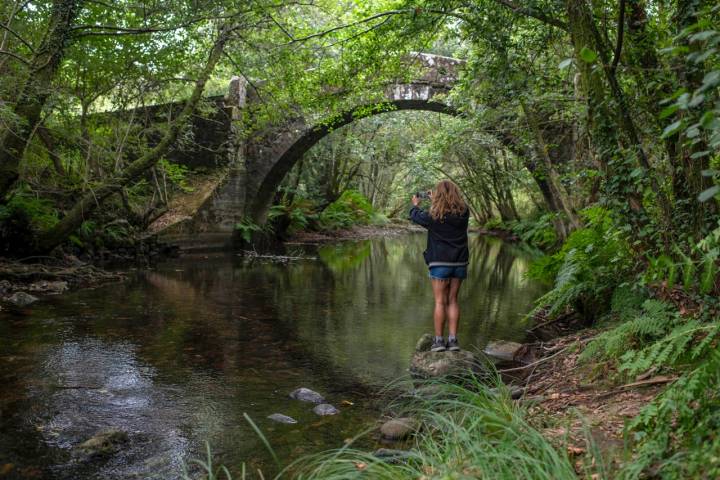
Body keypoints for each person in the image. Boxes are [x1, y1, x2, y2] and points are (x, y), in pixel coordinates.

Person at [409, 180, 469, 352]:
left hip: (439, 263)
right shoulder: (464, 212)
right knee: (453, 301)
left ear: (438, 195)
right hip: (459, 262)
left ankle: (438, 342)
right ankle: (453, 341)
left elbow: (416, 216)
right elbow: (450, 212)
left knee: (440, 302)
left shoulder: (434, 214)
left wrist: (416, 204)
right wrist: (436, 200)